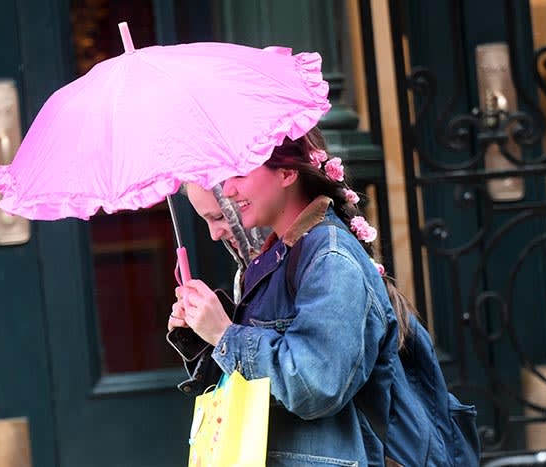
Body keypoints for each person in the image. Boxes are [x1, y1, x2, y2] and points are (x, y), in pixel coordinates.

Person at [169, 127, 479, 466]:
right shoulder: (279, 257)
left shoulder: (330, 260)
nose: (228, 189)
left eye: (240, 173)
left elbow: (315, 385)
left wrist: (225, 335)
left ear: (287, 173)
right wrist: (204, 333)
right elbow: (258, 388)